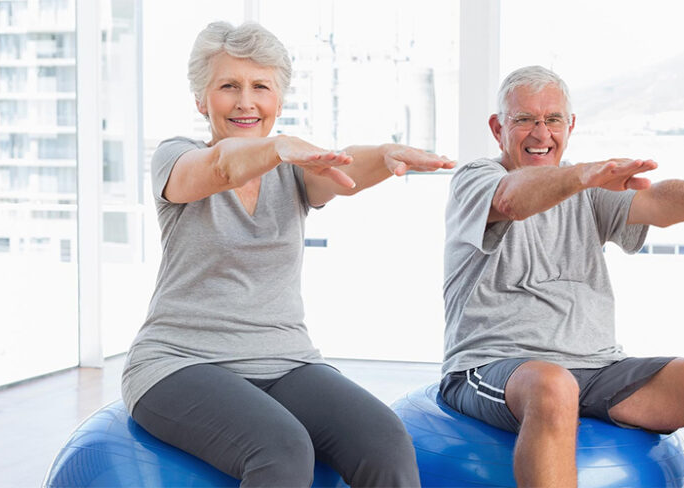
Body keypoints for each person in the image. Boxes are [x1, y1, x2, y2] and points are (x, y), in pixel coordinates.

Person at [440, 65, 684, 487]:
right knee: (553, 385)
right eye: (525, 120)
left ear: (570, 125)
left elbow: (658, 202)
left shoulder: (586, 188)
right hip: (491, 365)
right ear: (497, 127)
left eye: (553, 119)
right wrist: (581, 176)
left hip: (595, 366)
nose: (541, 134)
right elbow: (511, 200)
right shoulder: (478, 179)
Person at [121, 21, 454, 487]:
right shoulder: (177, 158)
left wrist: (385, 152)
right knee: (281, 449)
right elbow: (221, 166)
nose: (246, 101)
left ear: (278, 100)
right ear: (201, 100)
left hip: (285, 359)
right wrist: (276, 146)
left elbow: (341, 164)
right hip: (180, 362)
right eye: (228, 86)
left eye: (261, 87)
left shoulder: (291, 172)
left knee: (385, 441)